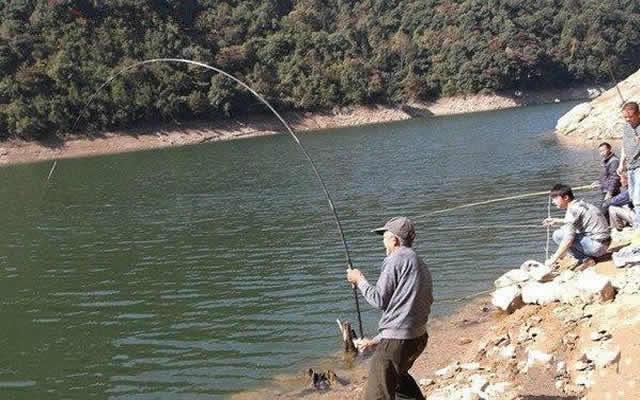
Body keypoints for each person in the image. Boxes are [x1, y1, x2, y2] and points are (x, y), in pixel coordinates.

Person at [346, 217, 433, 400]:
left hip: (398, 342)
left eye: (384, 237)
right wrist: (376, 341)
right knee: (399, 382)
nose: (383, 242)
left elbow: (379, 300)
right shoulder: (419, 263)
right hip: (418, 338)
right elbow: (410, 310)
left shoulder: (395, 259)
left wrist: (359, 279)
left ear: (394, 240)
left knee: (375, 395)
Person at [543, 184, 611, 268]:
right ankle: (588, 256)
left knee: (558, 235)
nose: (553, 201)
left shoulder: (572, 210)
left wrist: (553, 259)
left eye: (555, 198)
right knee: (567, 231)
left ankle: (585, 259)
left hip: (597, 247)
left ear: (566, 198)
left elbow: (568, 240)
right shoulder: (580, 204)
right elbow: (573, 221)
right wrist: (557, 220)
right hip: (605, 243)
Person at [617, 101, 640, 229]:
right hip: (630, 166)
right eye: (625, 117)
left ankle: (638, 226)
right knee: (632, 196)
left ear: (638, 114)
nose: (627, 120)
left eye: (630, 117)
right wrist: (621, 163)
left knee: (638, 198)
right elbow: (624, 146)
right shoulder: (626, 127)